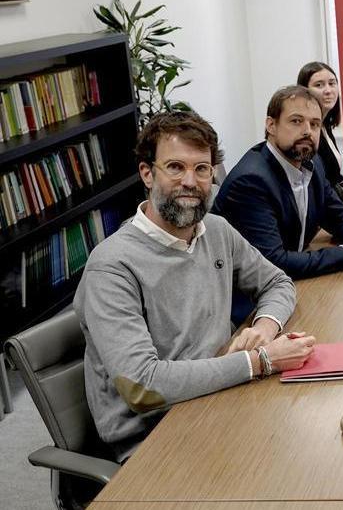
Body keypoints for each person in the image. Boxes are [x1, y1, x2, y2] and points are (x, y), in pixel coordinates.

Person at [75, 111, 315, 461]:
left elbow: (277, 282)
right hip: (157, 439)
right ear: (147, 173)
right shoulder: (111, 267)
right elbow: (144, 387)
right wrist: (260, 361)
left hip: (223, 396)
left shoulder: (215, 231)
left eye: (201, 169)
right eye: (175, 167)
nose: (191, 181)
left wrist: (265, 328)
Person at [213, 85, 343, 283]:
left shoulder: (312, 163)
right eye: (296, 121)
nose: (307, 131)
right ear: (271, 125)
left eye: (315, 124)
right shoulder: (251, 181)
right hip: (250, 298)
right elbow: (273, 262)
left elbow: (336, 215)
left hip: (293, 280)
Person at [297, 61, 343, 200]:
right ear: (304, 91)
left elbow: (334, 176)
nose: (328, 90)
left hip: (337, 197)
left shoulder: (324, 124)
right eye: (319, 85)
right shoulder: (306, 133)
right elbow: (319, 184)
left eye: (332, 83)